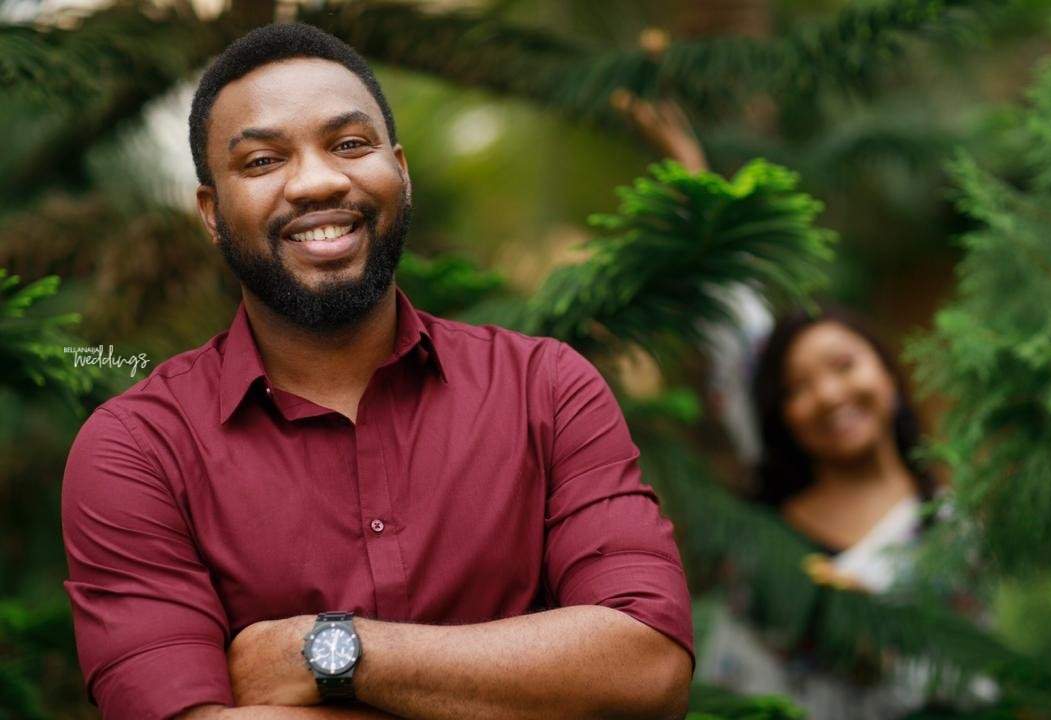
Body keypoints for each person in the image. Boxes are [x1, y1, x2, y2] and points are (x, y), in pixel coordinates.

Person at [60, 23, 693, 720]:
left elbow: (647, 665)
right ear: (211, 214)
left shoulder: (546, 389)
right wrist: (529, 684)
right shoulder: (136, 451)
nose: (319, 181)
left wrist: (326, 651)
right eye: (264, 161)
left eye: (350, 145)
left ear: (401, 171)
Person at [751, 307, 936, 592]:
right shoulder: (766, 547)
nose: (828, 396)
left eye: (844, 365)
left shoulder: (953, 521)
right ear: (781, 416)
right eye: (798, 387)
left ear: (888, 372)